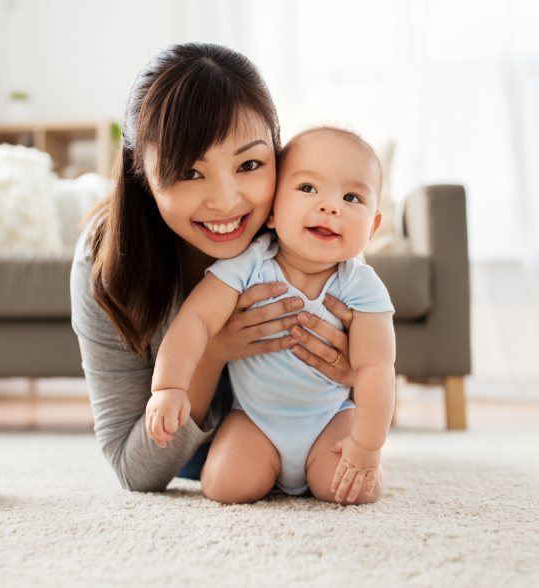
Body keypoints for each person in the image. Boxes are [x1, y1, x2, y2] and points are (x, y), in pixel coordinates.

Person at [70, 43, 357, 494]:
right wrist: (208, 353)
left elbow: (365, 398)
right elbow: (135, 470)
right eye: (188, 172)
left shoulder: (313, 229)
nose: (226, 201)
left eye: (249, 164)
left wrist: (353, 369)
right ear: (141, 172)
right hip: (197, 461)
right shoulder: (107, 263)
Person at [146, 127, 396, 505]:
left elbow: (378, 368)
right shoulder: (249, 264)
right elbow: (195, 321)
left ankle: (340, 462)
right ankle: (268, 467)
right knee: (224, 487)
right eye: (308, 189)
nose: (331, 207)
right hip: (255, 420)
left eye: (351, 197)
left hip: (329, 418)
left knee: (351, 489)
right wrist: (169, 387)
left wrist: (366, 446)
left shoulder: (360, 285)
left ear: (373, 227)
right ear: (273, 211)